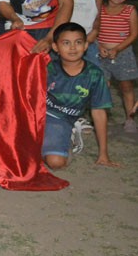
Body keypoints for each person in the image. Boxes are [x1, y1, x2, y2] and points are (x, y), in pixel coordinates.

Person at [44, 22, 117, 169]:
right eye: (66, 43)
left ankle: (69, 137)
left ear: (85, 46)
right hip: (39, 117)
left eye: (78, 42)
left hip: (61, 121)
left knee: (56, 162)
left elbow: (99, 112)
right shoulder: (48, 68)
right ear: (55, 47)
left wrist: (103, 153)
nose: (72, 48)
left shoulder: (94, 74)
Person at [95, 0, 138, 133]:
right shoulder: (100, 9)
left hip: (123, 55)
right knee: (102, 86)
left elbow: (134, 34)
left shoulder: (130, 10)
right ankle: (103, 117)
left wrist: (117, 49)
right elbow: (94, 30)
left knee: (126, 86)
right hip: (102, 55)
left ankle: (130, 118)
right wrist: (99, 46)